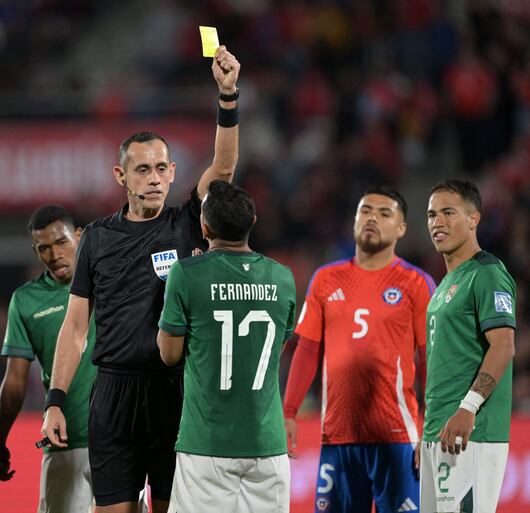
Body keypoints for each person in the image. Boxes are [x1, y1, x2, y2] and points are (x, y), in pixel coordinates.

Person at [42, 46, 241, 513]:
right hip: (112, 393)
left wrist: (227, 95)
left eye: (161, 169)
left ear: (173, 173)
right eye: (142, 169)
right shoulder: (95, 239)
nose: (154, 178)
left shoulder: (188, 221)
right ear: (121, 176)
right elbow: (75, 328)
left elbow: (225, 168)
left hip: (175, 391)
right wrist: (54, 399)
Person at [283, 186, 435, 513]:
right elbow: (307, 350)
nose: (372, 218)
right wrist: (289, 411)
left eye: (384, 214)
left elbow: (430, 362)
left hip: (396, 437)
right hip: (337, 438)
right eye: (365, 211)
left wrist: (431, 426)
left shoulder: (416, 283)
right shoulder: (325, 279)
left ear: (401, 228)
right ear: (353, 221)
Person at [157, 180, 297, 513]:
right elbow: (275, 348)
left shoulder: (186, 273)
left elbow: (169, 354)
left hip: (207, 445)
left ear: (204, 227)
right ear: (252, 222)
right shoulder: (283, 277)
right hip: (269, 446)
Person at [0, 205, 97, 513]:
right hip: (65, 442)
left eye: (62, 242)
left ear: (79, 236)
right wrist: (0, 440)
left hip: (119, 440)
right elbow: (14, 381)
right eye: (44, 248)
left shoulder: (109, 282)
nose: (54, 255)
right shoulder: (26, 301)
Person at [421, 180, 515, 513]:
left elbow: (503, 346)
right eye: (432, 214)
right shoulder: (446, 282)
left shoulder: (487, 273)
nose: (437, 222)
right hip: (438, 433)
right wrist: (427, 433)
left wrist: (468, 408)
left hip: (469, 434)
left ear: (474, 219)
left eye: (448, 212)